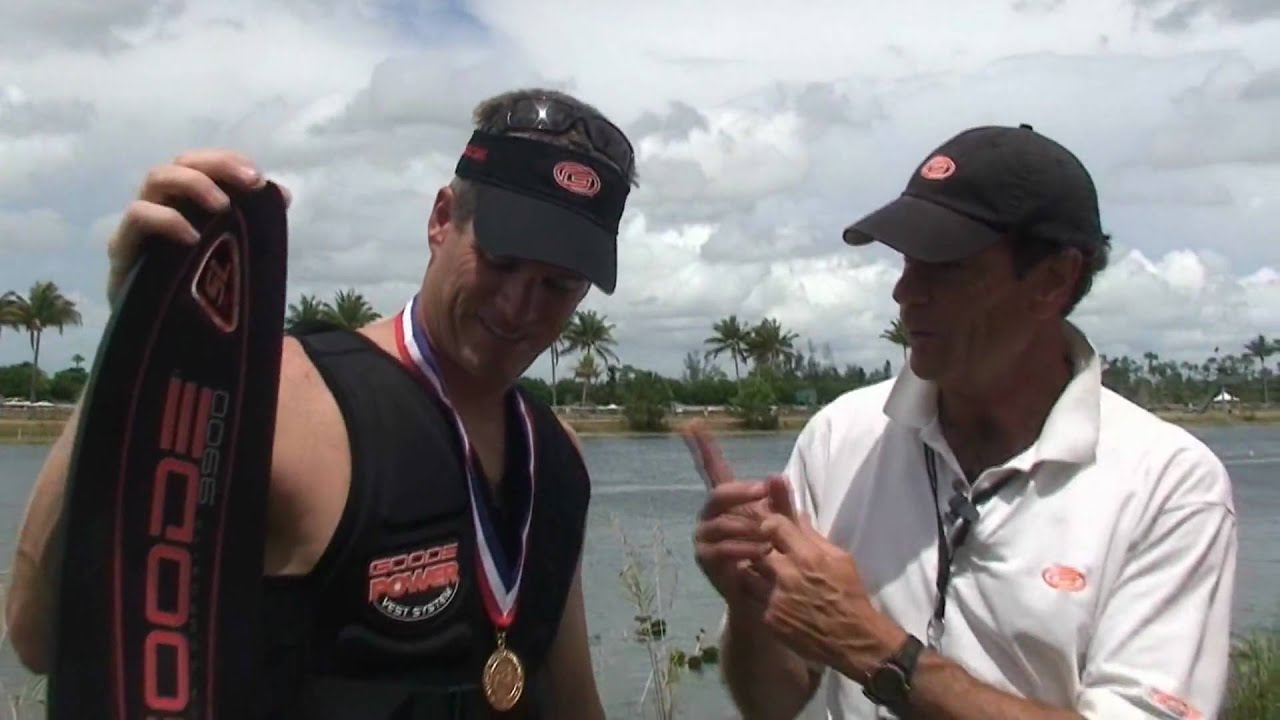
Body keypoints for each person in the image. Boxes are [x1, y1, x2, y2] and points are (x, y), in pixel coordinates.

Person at [7, 87, 638, 718]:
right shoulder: (288, 400)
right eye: (498, 261)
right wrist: (139, 342)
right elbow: (39, 635)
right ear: (442, 220)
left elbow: (574, 703)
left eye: (558, 284)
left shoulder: (555, 459)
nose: (519, 306)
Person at [688, 123, 1237, 719]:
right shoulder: (841, 436)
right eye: (907, 262)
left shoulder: (1170, 484)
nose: (905, 292)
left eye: (944, 266)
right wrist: (750, 606)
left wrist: (876, 649)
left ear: (1054, 279)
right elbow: (773, 702)